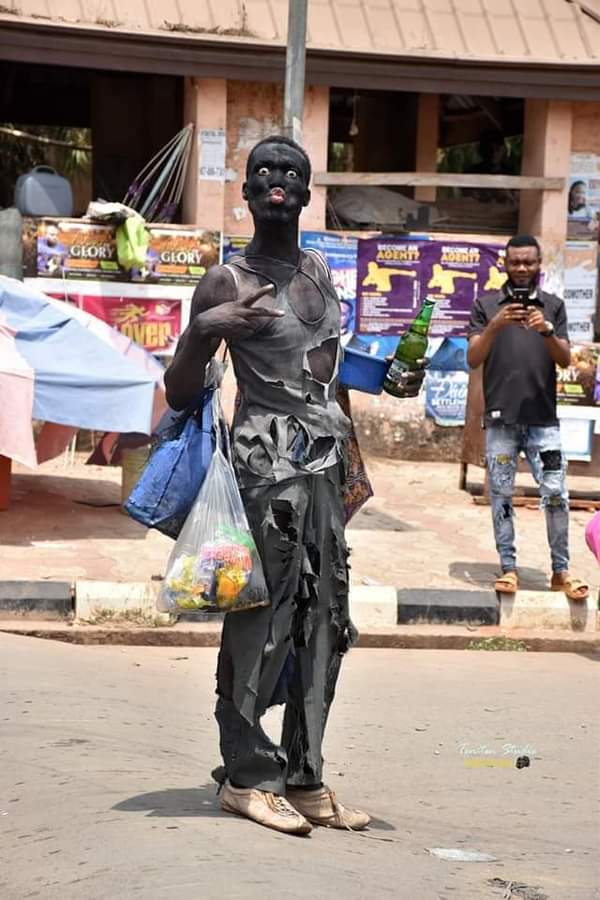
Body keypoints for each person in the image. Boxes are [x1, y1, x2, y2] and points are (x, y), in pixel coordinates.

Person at [165, 135, 424, 836]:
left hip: (322, 469)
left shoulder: (319, 270)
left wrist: (387, 380)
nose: (277, 181)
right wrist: (201, 333)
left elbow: (325, 370)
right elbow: (180, 391)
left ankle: (305, 774)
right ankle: (247, 777)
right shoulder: (227, 281)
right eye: (264, 173)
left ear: (308, 193)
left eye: (291, 173)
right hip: (262, 470)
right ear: (246, 192)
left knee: (326, 625)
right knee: (263, 620)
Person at [467, 234, 589, 600]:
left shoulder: (553, 307)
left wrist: (546, 330)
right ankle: (508, 569)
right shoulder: (486, 305)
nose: (521, 269)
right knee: (502, 494)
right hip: (501, 421)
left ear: (539, 266)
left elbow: (565, 359)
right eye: (515, 262)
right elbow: (473, 358)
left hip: (543, 422)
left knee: (556, 494)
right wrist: (495, 325)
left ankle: (560, 570)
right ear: (504, 264)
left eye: (528, 262)